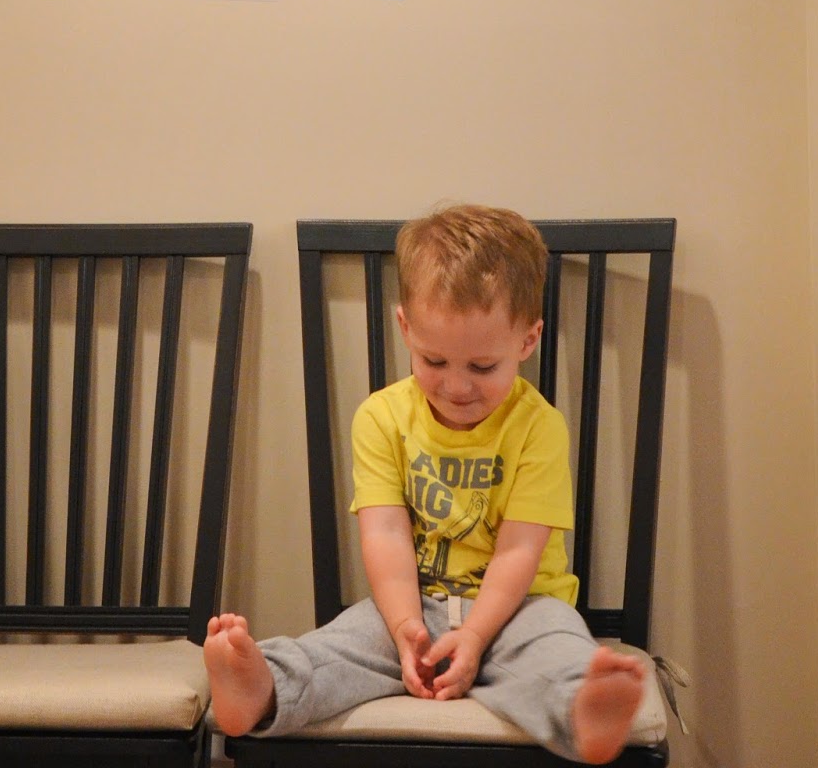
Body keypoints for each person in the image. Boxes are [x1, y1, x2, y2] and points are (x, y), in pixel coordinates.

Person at [203, 205, 646, 762]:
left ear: (528, 341)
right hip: (413, 604)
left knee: (556, 648)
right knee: (337, 646)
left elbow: (519, 550)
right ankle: (264, 687)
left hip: (519, 609)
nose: (457, 387)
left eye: (482, 367)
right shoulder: (381, 417)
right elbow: (385, 535)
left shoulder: (539, 427)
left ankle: (583, 708)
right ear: (405, 328)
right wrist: (405, 626)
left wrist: (476, 636)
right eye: (434, 360)